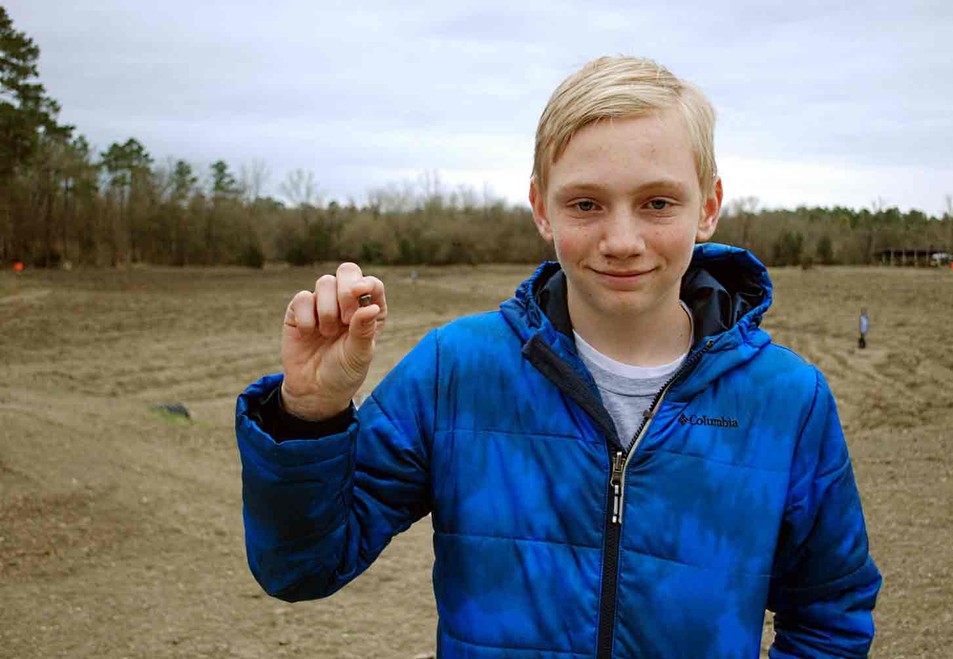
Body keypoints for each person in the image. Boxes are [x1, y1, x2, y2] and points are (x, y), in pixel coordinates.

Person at [236, 56, 881, 658]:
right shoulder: (455, 372)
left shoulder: (787, 401)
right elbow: (301, 567)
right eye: (585, 204)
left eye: (657, 202)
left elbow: (831, 614)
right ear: (541, 208)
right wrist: (310, 415)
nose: (622, 240)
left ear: (708, 206)